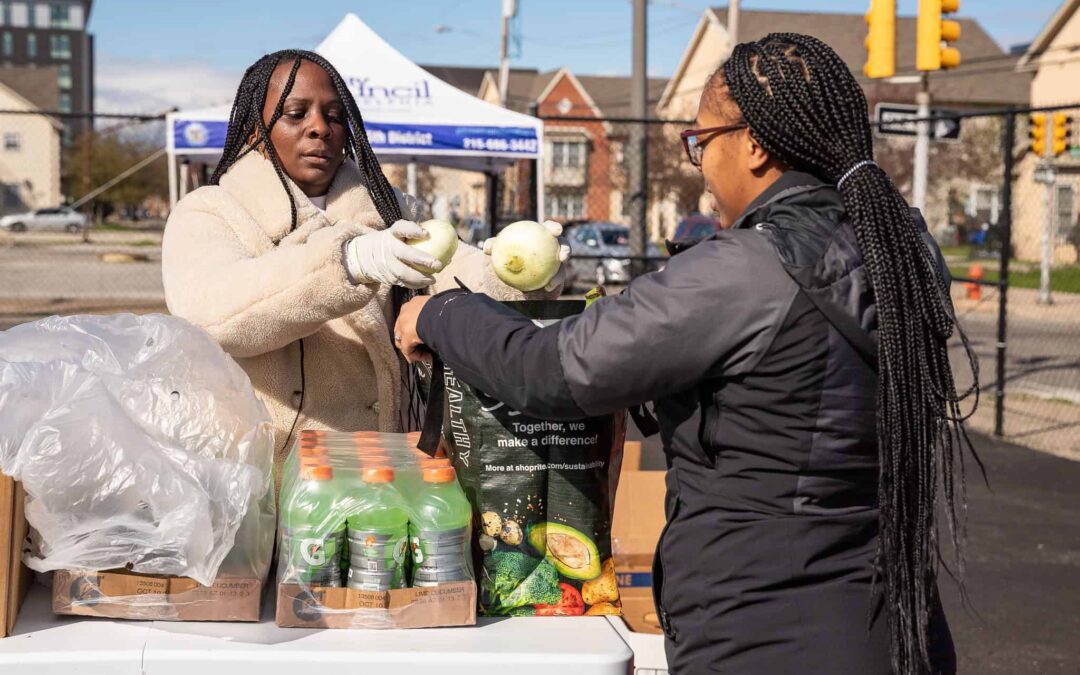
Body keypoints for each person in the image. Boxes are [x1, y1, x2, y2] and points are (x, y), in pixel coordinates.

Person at [394, 34, 976, 675]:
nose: (699, 164)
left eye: (701, 142)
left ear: (752, 144)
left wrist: (443, 311)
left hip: (767, 631)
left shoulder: (749, 269)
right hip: (896, 628)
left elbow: (551, 371)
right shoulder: (902, 253)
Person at [162, 50, 562, 489]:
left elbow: (451, 271)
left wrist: (514, 273)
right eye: (295, 113)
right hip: (271, 486)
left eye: (335, 116)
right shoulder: (212, 211)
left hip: (384, 475)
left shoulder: (391, 210)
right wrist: (347, 262)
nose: (320, 128)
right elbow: (214, 313)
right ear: (257, 130)